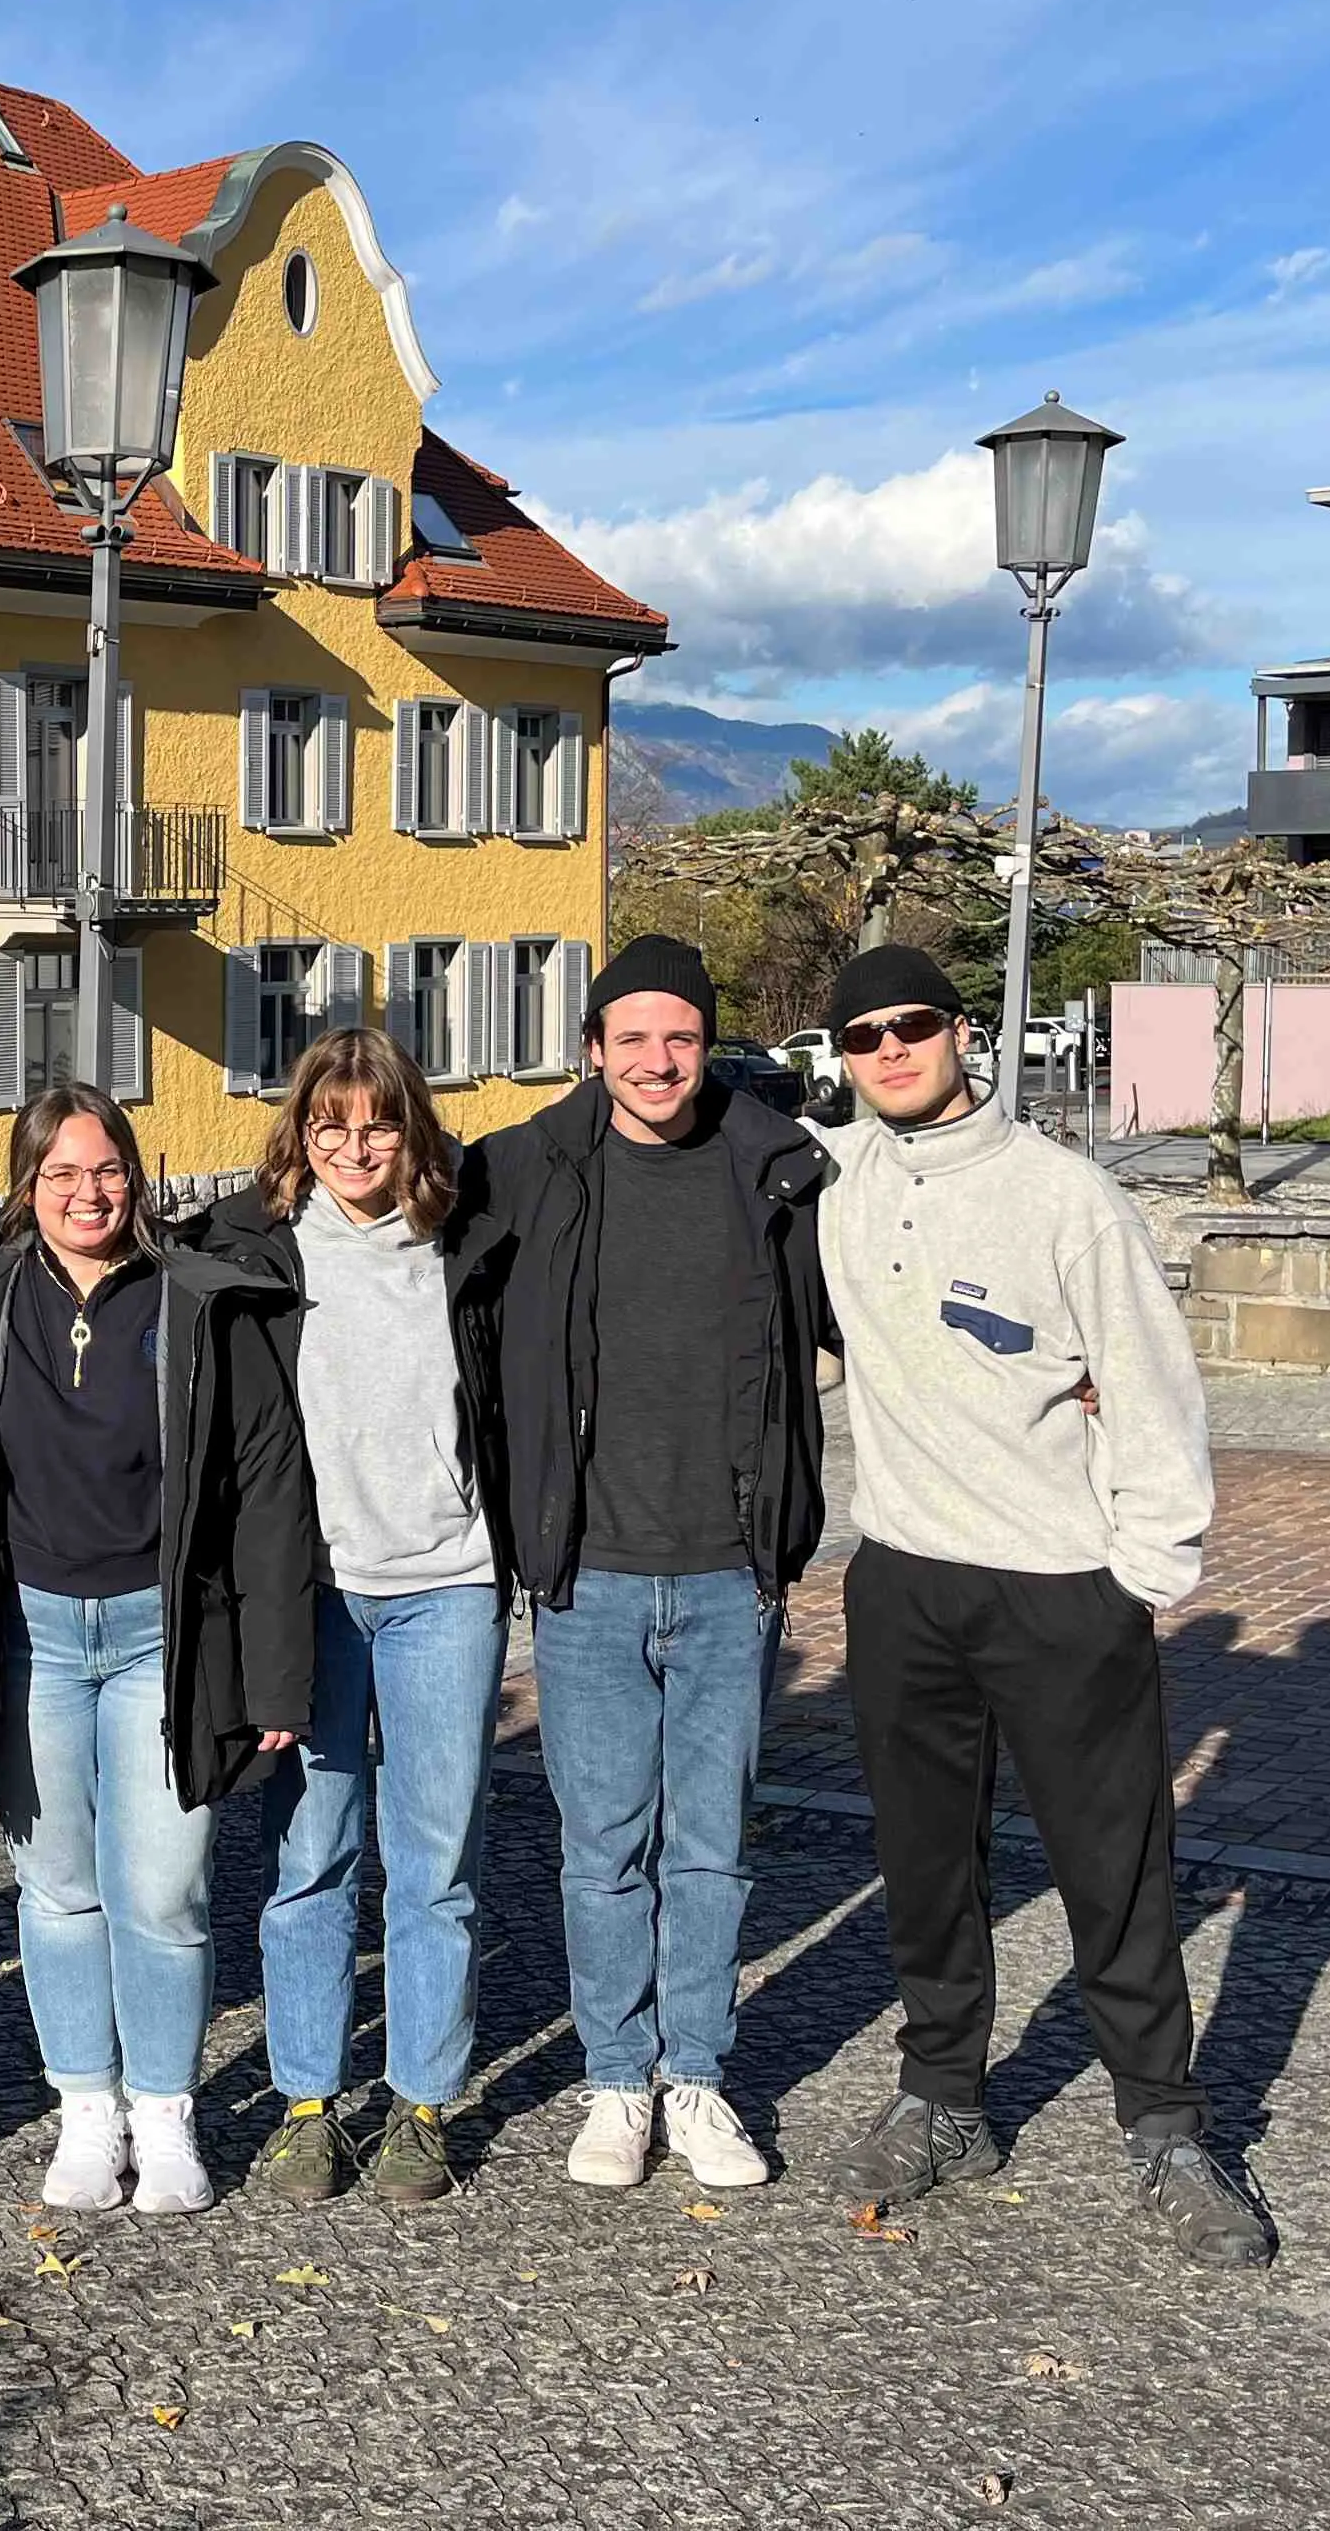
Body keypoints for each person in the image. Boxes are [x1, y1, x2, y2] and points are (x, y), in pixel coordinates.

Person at [808, 945, 1277, 2268]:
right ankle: (947, 2098)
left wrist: (1144, 1572)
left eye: (910, 1028)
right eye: (860, 1038)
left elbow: (1148, 1381)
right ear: (841, 1061)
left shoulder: (1066, 1198)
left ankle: (1169, 2127)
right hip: (903, 1577)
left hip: (1063, 1589)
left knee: (1114, 1869)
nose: (889, 1052)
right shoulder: (840, 1189)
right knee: (926, 1867)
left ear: (962, 1034)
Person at [476, 934, 836, 2200]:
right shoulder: (523, 1170)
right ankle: (617, 2080)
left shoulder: (777, 1171)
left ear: (707, 1046)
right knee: (602, 1844)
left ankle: (699, 2075)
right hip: (589, 1570)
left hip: (731, 1571)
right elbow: (391, 1240)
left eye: (678, 1037)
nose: (656, 1061)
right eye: (631, 1038)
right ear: (592, 1051)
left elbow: (866, 1312)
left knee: (713, 1847)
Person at [0, 1082, 310, 2216]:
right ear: (27, 1186)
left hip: (165, 1634)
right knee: (59, 1889)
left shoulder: (197, 1305)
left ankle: (166, 2116)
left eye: (106, 1168)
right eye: (60, 1172)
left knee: (163, 1891)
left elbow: (267, 1489)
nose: (87, 1192)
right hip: (37, 1635)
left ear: (139, 1174)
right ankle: (86, 2111)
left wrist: (273, 1664)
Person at [196, 1029, 509, 2208]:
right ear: (300, 1132)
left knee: (435, 1867)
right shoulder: (254, 1252)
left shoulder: (465, 1246)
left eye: (379, 1123)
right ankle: (309, 2104)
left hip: (446, 1584)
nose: (355, 1146)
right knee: (309, 1860)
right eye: (331, 1124)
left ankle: (424, 2104)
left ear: (413, 1130)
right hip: (314, 1599)